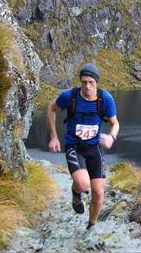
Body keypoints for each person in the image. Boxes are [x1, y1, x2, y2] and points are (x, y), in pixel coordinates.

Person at [47, 63, 120, 230]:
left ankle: (91, 225)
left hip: (94, 147)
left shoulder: (105, 99)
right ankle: (76, 194)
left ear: (97, 82)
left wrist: (111, 137)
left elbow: (115, 123)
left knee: (98, 192)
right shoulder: (69, 96)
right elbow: (51, 109)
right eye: (84, 82)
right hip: (74, 145)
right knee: (82, 183)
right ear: (80, 81)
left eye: (91, 82)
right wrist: (54, 137)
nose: (87, 86)